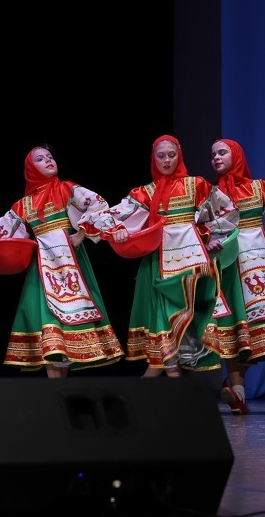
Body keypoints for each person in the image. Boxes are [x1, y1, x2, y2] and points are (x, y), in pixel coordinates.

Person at [106, 134, 236, 377]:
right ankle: (170, 378)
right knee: (164, 319)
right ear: (153, 159)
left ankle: (172, 386)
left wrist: (209, 238)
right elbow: (115, 216)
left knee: (190, 315)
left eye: (171, 155)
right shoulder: (145, 193)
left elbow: (226, 211)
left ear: (180, 156)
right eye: (161, 156)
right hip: (159, 262)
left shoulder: (195, 185)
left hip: (192, 261)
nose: (166, 160)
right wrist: (118, 231)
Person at [199, 139, 265, 414]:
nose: (216, 158)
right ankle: (237, 392)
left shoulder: (259, 188)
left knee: (255, 323)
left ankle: (237, 388)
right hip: (226, 261)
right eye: (212, 154)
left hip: (256, 262)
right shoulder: (208, 194)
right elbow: (194, 224)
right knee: (234, 324)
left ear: (236, 155)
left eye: (222, 152)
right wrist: (207, 238)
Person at [0, 145, 124, 376]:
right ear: (30, 168)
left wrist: (82, 232)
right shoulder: (24, 205)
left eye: (50, 157)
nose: (48, 160)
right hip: (43, 268)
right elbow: (2, 231)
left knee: (70, 322)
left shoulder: (66, 189)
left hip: (71, 263)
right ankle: (57, 391)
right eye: (40, 159)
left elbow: (97, 204)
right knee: (49, 326)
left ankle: (61, 393)